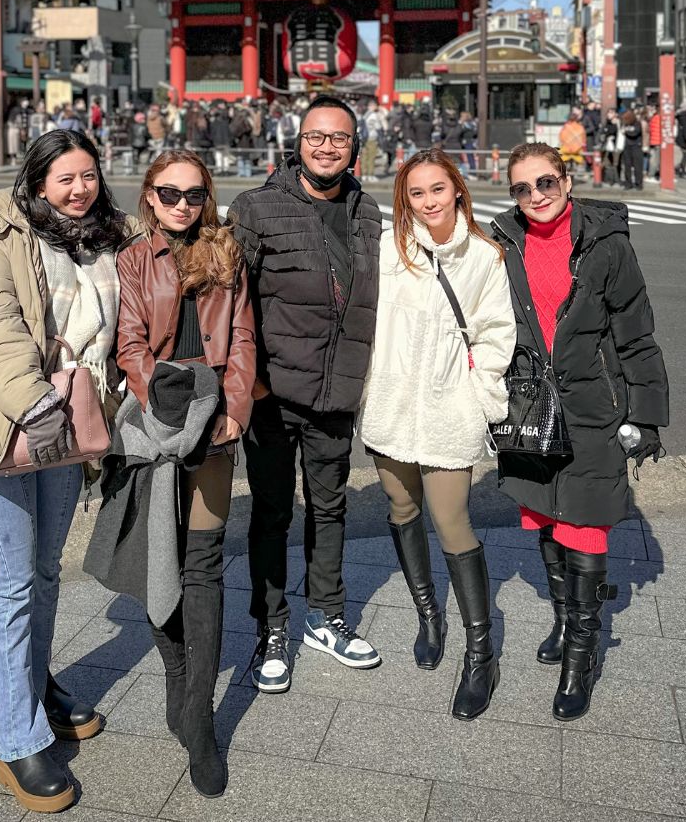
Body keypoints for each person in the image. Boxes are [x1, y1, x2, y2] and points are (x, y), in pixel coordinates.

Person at [0, 129, 130, 812]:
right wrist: (34, 402)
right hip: (12, 424)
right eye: (65, 178)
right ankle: (16, 742)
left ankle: (36, 686)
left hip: (73, 428)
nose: (80, 189)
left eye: (89, 175)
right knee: (14, 582)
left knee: (47, 570)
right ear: (37, 180)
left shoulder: (109, 238)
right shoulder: (0, 238)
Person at [491, 143, 668, 721]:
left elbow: (635, 333)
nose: (536, 196)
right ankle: (564, 619)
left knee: (586, 521)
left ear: (566, 181)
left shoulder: (606, 243)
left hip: (594, 404)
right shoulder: (504, 243)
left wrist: (643, 414)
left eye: (546, 183)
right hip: (530, 403)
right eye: (522, 188)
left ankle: (580, 656)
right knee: (544, 512)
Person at [101, 150, 255, 797]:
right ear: (150, 198)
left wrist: (236, 411)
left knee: (204, 561)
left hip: (215, 423)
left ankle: (200, 716)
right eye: (171, 194)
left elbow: (244, 337)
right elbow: (129, 344)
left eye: (195, 195)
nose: (184, 206)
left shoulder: (226, 252)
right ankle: (175, 670)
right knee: (159, 556)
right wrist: (164, 409)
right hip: (161, 420)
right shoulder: (134, 260)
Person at [229, 94, 383, 693]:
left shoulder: (368, 213)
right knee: (270, 512)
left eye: (339, 138)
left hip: (336, 395)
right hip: (273, 394)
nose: (327, 146)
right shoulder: (257, 207)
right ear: (297, 142)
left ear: (354, 147)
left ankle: (327, 615)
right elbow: (228, 298)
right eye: (316, 136)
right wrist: (251, 382)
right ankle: (271, 627)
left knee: (330, 508)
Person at [360, 150, 515, 720]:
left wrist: (479, 395)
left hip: (450, 406)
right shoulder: (388, 249)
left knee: (452, 519)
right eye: (416, 194)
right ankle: (428, 612)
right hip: (390, 405)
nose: (428, 202)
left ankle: (481, 651)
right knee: (401, 508)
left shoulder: (482, 256)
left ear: (457, 191)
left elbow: (498, 332)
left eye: (437, 189)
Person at [619, 109, 643, 190]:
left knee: (637, 166)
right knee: (627, 166)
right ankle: (628, 183)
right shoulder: (625, 124)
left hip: (636, 146)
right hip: (627, 147)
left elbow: (635, 133)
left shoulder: (637, 124)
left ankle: (639, 183)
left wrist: (626, 132)